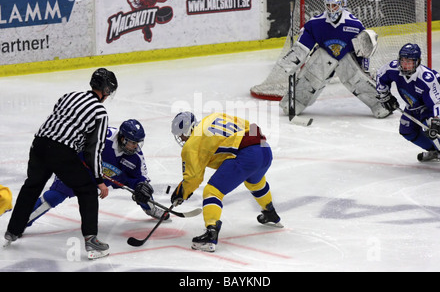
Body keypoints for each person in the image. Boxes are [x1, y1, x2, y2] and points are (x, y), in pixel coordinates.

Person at [4, 68, 118, 259]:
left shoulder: (69, 95)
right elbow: (94, 149)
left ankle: (13, 231)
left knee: (31, 186)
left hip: (39, 145)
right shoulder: (100, 112)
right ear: (105, 89)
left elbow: (58, 122)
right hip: (61, 152)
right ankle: (91, 240)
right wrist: (99, 180)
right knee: (87, 190)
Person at [134, 111, 282, 253]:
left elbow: (193, 178)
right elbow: (250, 126)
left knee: (212, 191)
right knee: (255, 183)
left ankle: (211, 235)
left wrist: (181, 192)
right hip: (264, 149)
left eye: (182, 135)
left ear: (187, 130)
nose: (182, 139)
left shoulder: (192, 144)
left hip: (247, 155)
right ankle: (270, 213)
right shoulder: (213, 117)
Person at [27, 119, 169, 228]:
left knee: (142, 190)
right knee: (55, 196)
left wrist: (140, 185)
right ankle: (22, 221)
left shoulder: (135, 156)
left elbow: (141, 177)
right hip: (81, 169)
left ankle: (150, 208)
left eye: (138, 143)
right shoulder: (102, 138)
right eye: (132, 142)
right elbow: (74, 143)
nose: (136, 146)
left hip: (112, 174)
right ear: (122, 138)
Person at [278, 0, 390, 119]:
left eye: (334, 5)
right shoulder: (316, 23)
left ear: (342, 5)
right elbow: (303, 45)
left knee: (357, 79)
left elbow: (362, 51)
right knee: (312, 76)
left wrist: (364, 70)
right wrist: (292, 60)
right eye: (329, 5)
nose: (331, 9)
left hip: (346, 59)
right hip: (324, 57)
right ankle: (295, 102)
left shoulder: (354, 24)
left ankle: (380, 104)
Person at [376, 43, 440, 169]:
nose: (405, 65)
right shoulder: (393, 68)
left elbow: (439, 101)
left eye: (409, 61)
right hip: (414, 104)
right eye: (403, 61)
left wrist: (436, 120)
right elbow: (381, 74)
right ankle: (434, 151)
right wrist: (384, 95)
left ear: (417, 62)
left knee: (430, 127)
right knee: (406, 131)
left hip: (433, 104)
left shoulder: (427, 78)